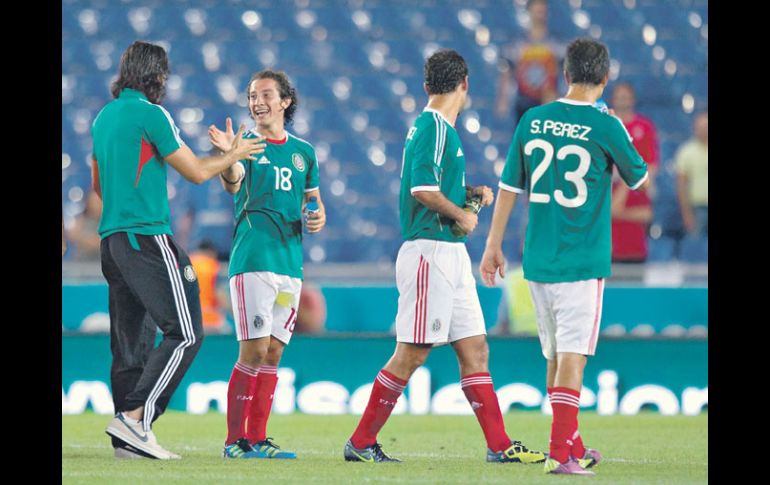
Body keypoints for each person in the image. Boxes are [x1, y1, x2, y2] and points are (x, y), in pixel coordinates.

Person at [343, 49, 545, 464]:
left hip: (449, 254)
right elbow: (421, 190)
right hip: (429, 252)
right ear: (465, 84)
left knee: (475, 349)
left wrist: (469, 195)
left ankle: (499, 445)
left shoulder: (437, 130)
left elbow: (429, 186)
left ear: (426, 84)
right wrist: (461, 215)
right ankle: (360, 442)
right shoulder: (434, 127)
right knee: (413, 352)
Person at [480, 38, 650, 475]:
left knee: (555, 355)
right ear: (606, 78)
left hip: (537, 259)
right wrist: (615, 128)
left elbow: (509, 188)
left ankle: (572, 440)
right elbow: (639, 177)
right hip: (582, 260)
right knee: (573, 355)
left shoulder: (534, 119)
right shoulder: (606, 124)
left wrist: (493, 245)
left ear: (566, 74)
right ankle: (561, 453)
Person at [91, 40, 265, 460]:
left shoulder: (103, 117)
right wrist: (235, 154)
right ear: (157, 76)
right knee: (186, 331)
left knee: (130, 342)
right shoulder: (152, 114)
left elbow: (98, 186)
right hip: (147, 238)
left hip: (112, 242)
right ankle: (135, 419)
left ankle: (127, 440)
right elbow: (197, 172)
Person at [208, 69, 326, 459]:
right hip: (254, 260)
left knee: (274, 352)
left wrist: (317, 216)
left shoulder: (304, 153)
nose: (257, 101)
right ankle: (233, 441)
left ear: (285, 101)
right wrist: (228, 157)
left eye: (265, 94)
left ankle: (257, 438)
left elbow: (314, 202)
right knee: (253, 351)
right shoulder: (248, 146)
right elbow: (233, 181)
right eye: (251, 95)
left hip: (290, 264)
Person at [609, 82, 659, 262]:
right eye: (619, 97)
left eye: (626, 97)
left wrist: (627, 184)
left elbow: (651, 164)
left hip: (635, 190)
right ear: (613, 100)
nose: (623, 101)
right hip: (609, 189)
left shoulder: (644, 126)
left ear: (633, 99)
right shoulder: (607, 126)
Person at [495, 0, 566, 126]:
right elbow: (507, 73)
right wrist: (503, 99)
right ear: (529, 10)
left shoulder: (557, 45)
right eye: (537, 8)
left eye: (542, 9)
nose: (540, 12)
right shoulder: (517, 46)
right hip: (524, 104)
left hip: (548, 103)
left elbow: (567, 74)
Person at [675, 111, 708, 238]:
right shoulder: (686, 152)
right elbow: (681, 185)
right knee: (695, 250)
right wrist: (686, 214)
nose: (704, 130)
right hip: (696, 209)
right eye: (700, 127)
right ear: (694, 128)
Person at [189, 240, 230, 334]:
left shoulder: (185, 264)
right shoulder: (213, 266)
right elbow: (220, 295)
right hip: (211, 321)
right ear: (212, 252)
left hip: (188, 320)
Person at [67, 190, 103, 262]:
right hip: (81, 263)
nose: (96, 205)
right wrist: (93, 241)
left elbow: (104, 243)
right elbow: (72, 235)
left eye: (99, 202)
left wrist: (84, 240)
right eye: (94, 202)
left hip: (100, 264)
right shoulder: (81, 219)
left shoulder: (108, 222)